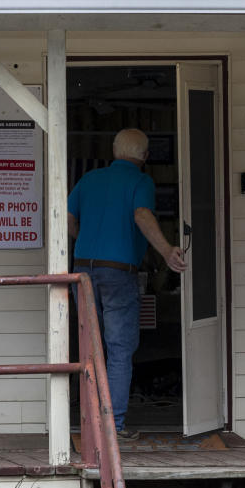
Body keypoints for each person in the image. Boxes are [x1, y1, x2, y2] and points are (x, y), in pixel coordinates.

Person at [68, 128, 187, 440]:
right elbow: (142, 214)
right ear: (145, 157)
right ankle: (113, 427)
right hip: (118, 274)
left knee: (90, 348)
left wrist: (88, 245)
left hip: (82, 272)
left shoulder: (89, 179)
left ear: (114, 150)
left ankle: (89, 422)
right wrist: (167, 252)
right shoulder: (141, 181)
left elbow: (67, 219)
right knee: (119, 349)